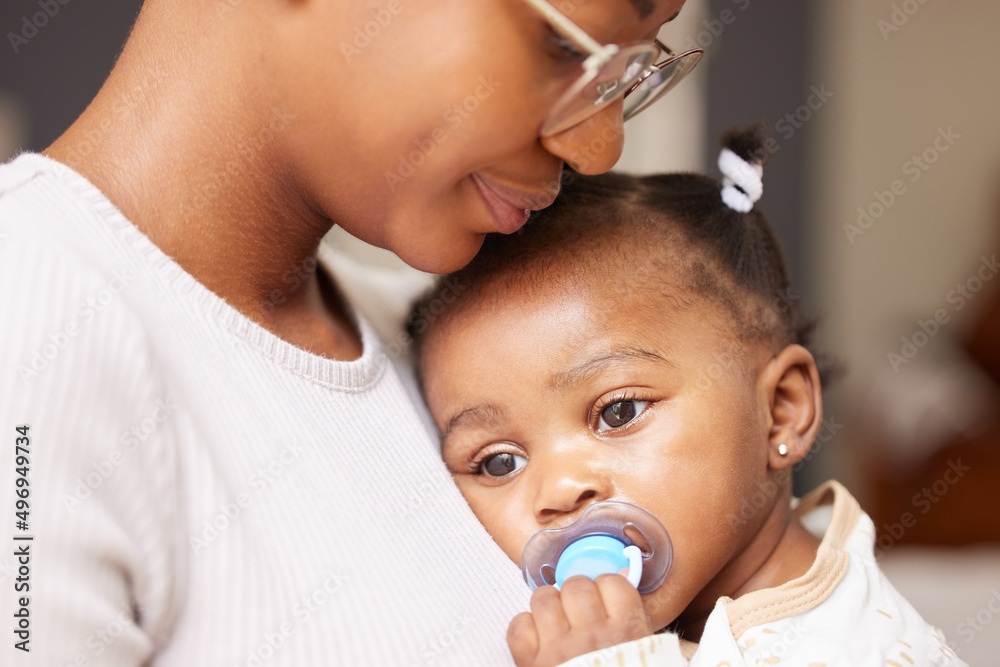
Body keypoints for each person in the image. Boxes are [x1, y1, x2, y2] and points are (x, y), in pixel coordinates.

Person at [0, 0, 702, 664]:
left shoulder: (454, 353)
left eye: (629, 70)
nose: (599, 146)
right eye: (564, 43)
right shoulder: (34, 327)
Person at [411, 126, 968, 666]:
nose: (558, 490)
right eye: (499, 461)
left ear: (779, 413)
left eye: (618, 411)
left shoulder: (842, 646)